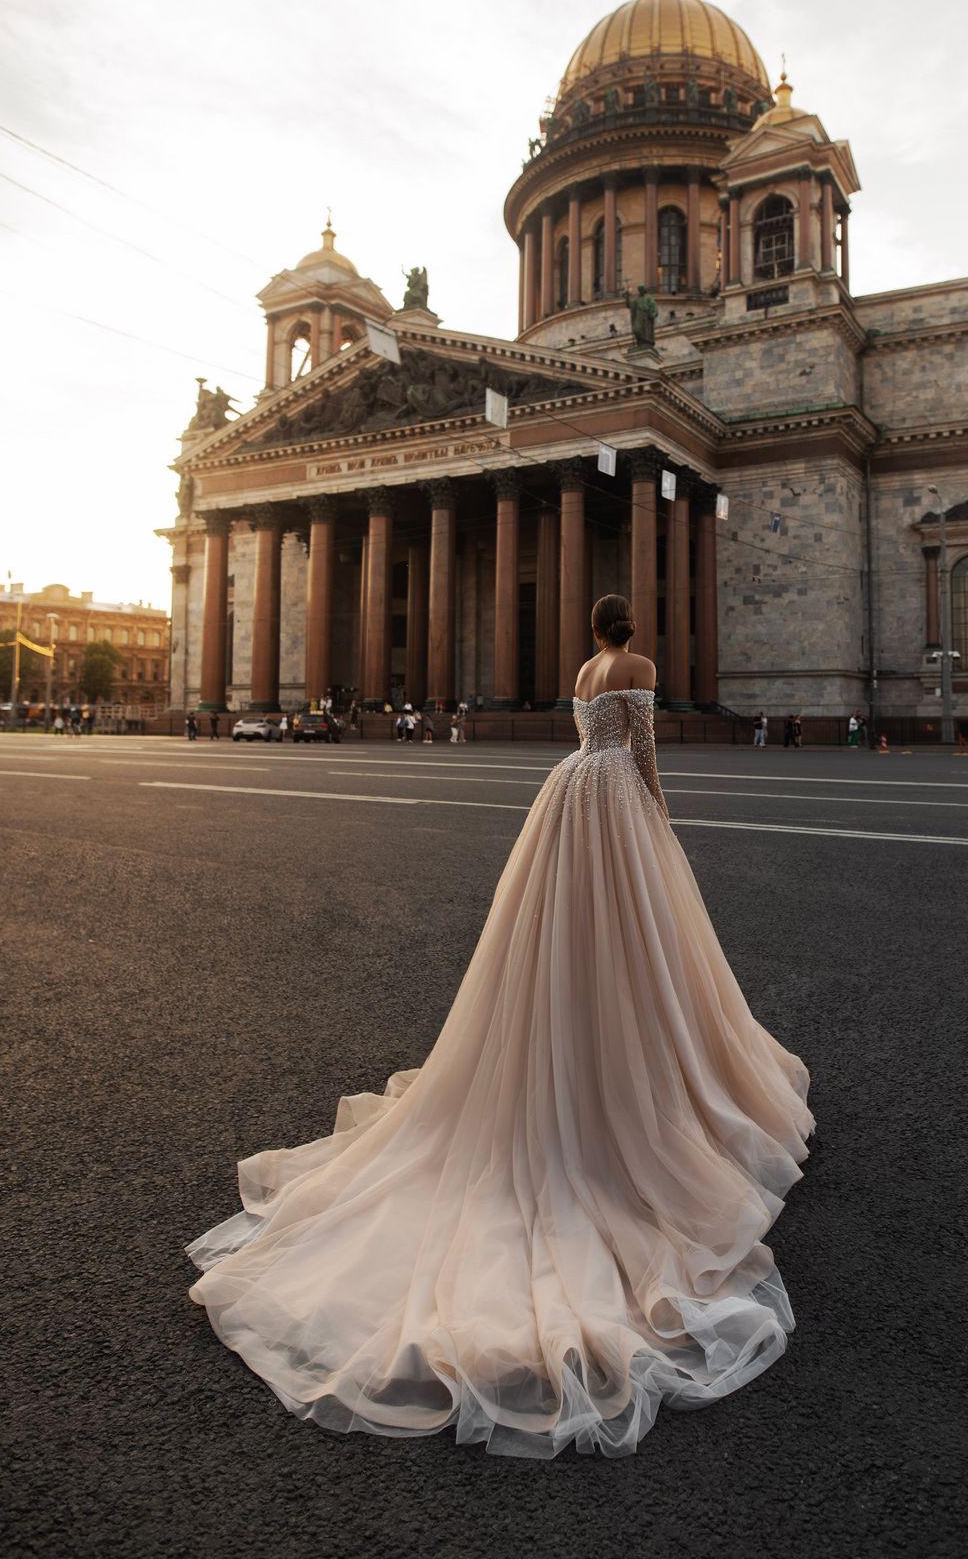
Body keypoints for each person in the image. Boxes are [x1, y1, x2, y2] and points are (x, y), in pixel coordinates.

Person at [186, 591, 813, 1458]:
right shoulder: (638, 669)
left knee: (554, 928)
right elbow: (643, 749)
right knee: (636, 929)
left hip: (569, 795)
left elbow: (590, 739)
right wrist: (660, 814)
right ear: (633, 630)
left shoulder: (587, 672)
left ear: (592, 630)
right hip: (616, 796)